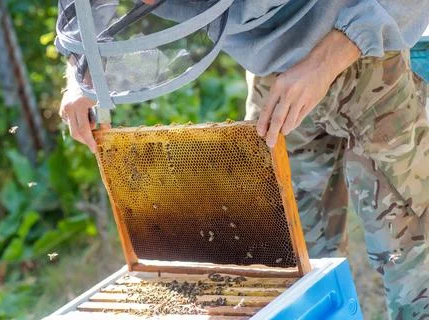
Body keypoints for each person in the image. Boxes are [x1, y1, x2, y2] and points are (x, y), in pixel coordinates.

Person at [58, 1, 429, 318]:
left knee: (408, 250)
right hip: (272, 73)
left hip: (365, 48)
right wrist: (81, 73)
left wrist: (327, 59)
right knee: (291, 259)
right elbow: (85, 14)